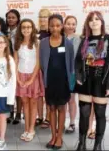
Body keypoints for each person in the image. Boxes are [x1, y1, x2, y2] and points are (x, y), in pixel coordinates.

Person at [74, 11, 109, 151]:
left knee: (100, 113)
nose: (94, 22)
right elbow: (78, 61)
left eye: (97, 19)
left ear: (102, 22)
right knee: (84, 113)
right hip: (86, 80)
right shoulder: (84, 40)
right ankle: (82, 144)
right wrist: (79, 77)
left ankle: (98, 145)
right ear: (88, 23)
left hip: (102, 81)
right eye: (91, 20)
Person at [40, 14, 74, 150]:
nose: (55, 28)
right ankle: (53, 136)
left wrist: (70, 82)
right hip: (50, 81)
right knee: (51, 109)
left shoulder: (68, 43)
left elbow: (71, 65)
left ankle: (59, 137)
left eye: (58, 25)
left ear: (62, 26)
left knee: (61, 108)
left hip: (63, 82)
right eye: (52, 25)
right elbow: (42, 63)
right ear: (49, 26)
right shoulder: (43, 43)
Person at [14, 19, 44, 142]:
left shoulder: (37, 43)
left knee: (33, 103)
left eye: (29, 27)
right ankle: (26, 128)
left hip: (34, 76)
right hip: (21, 75)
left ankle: (31, 129)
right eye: (24, 27)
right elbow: (15, 61)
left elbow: (38, 62)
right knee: (24, 103)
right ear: (20, 29)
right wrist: (18, 78)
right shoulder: (17, 43)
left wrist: (31, 79)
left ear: (32, 29)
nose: (26, 29)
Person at [63, 15, 81, 134]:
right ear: (64, 24)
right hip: (59, 74)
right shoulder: (58, 38)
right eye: (68, 23)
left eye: (73, 24)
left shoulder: (79, 39)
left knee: (71, 100)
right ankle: (61, 122)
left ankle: (72, 123)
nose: (70, 26)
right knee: (62, 100)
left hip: (72, 73)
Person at [5, 9, 22, 125]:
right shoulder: (4, 31)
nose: (11, 19)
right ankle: (10, 112)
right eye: (9, 17)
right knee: (8, 89)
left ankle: (18, 114)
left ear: (17, 19)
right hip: (6, 63)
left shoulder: (21, 31)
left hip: (19, 63)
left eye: (13, 17)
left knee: (18, 91)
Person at [36, 8, 52, 128]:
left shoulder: (53, 34)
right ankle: (40, 117)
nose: (43, 19)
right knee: (38, 94)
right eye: (41, 17)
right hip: (37, 67)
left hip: (49, 68)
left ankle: (48, 118)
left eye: (45, 17)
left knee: (47, 94)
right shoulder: (35, 32)